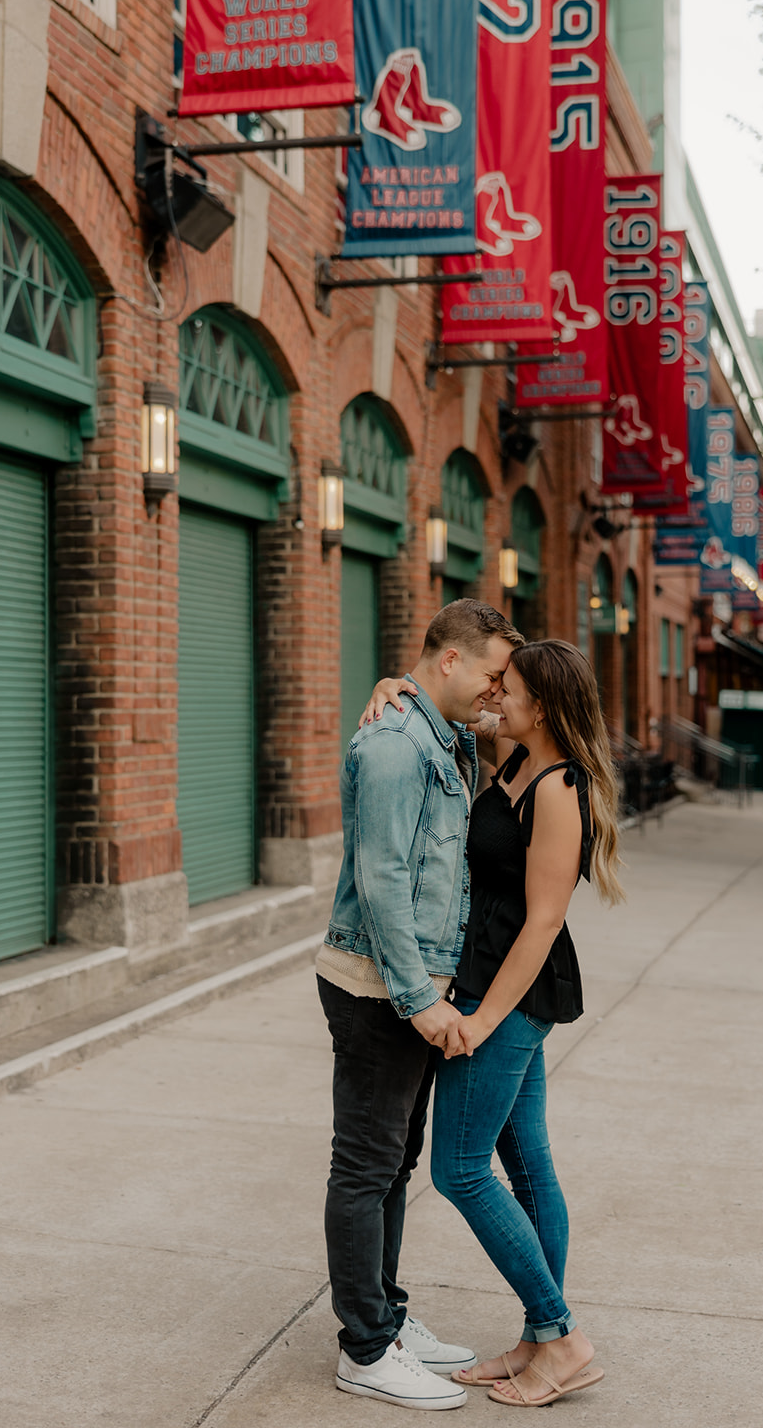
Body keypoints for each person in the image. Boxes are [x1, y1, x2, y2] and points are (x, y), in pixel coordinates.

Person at [362, 639, 624, 1409]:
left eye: (505, 688)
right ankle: (541, 1342)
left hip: (506, 991)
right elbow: (427, 697)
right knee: (528, 1161)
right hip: (489, 978)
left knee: (460, 1171)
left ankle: (561, 1334)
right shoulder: (507, 756)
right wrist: (388, 686)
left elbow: (543, 922)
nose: (492, 696)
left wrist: (479, 1021)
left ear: (540, 707)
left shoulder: (555, 785)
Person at [316, 597, 524, 1410]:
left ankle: (387, 1319)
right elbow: (381, 883)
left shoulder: (445, 735)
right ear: (448, 661)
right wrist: (416, 999)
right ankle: (364, 1348)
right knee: (364, 1167)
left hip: (412, 989)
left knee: (393, 1165)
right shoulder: (399, 745)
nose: (496, 692)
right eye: (490, 674)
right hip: (379, 989)